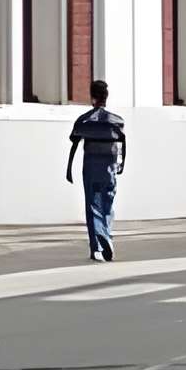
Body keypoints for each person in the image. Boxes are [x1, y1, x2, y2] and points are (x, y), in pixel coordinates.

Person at [66, 80, 127, 261]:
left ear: (92, 97)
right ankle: (107, 236)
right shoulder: (117, 121)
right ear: (106, 97)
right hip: (110, 167)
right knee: (107, 204)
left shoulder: (84, 120)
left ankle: (97, 246)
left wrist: (68, 169)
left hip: (91, 167)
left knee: (92, 206)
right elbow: (122, 143)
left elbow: (74, 141)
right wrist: (121, 165)